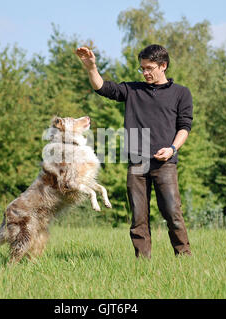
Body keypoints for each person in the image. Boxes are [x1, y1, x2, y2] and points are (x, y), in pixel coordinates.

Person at [75, 44, 192, 258]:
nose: (145, 72)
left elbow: (184, 126)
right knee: (138, 217)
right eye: (142, 69)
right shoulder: (132, 90)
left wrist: (172, 148)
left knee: (173, 213)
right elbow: (102, 88)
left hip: (165, 163)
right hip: (137, 162)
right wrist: (92, 67)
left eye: (149, 68)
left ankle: (184, 257)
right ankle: (142, 262)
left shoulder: (181, 93)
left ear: (163, 66)